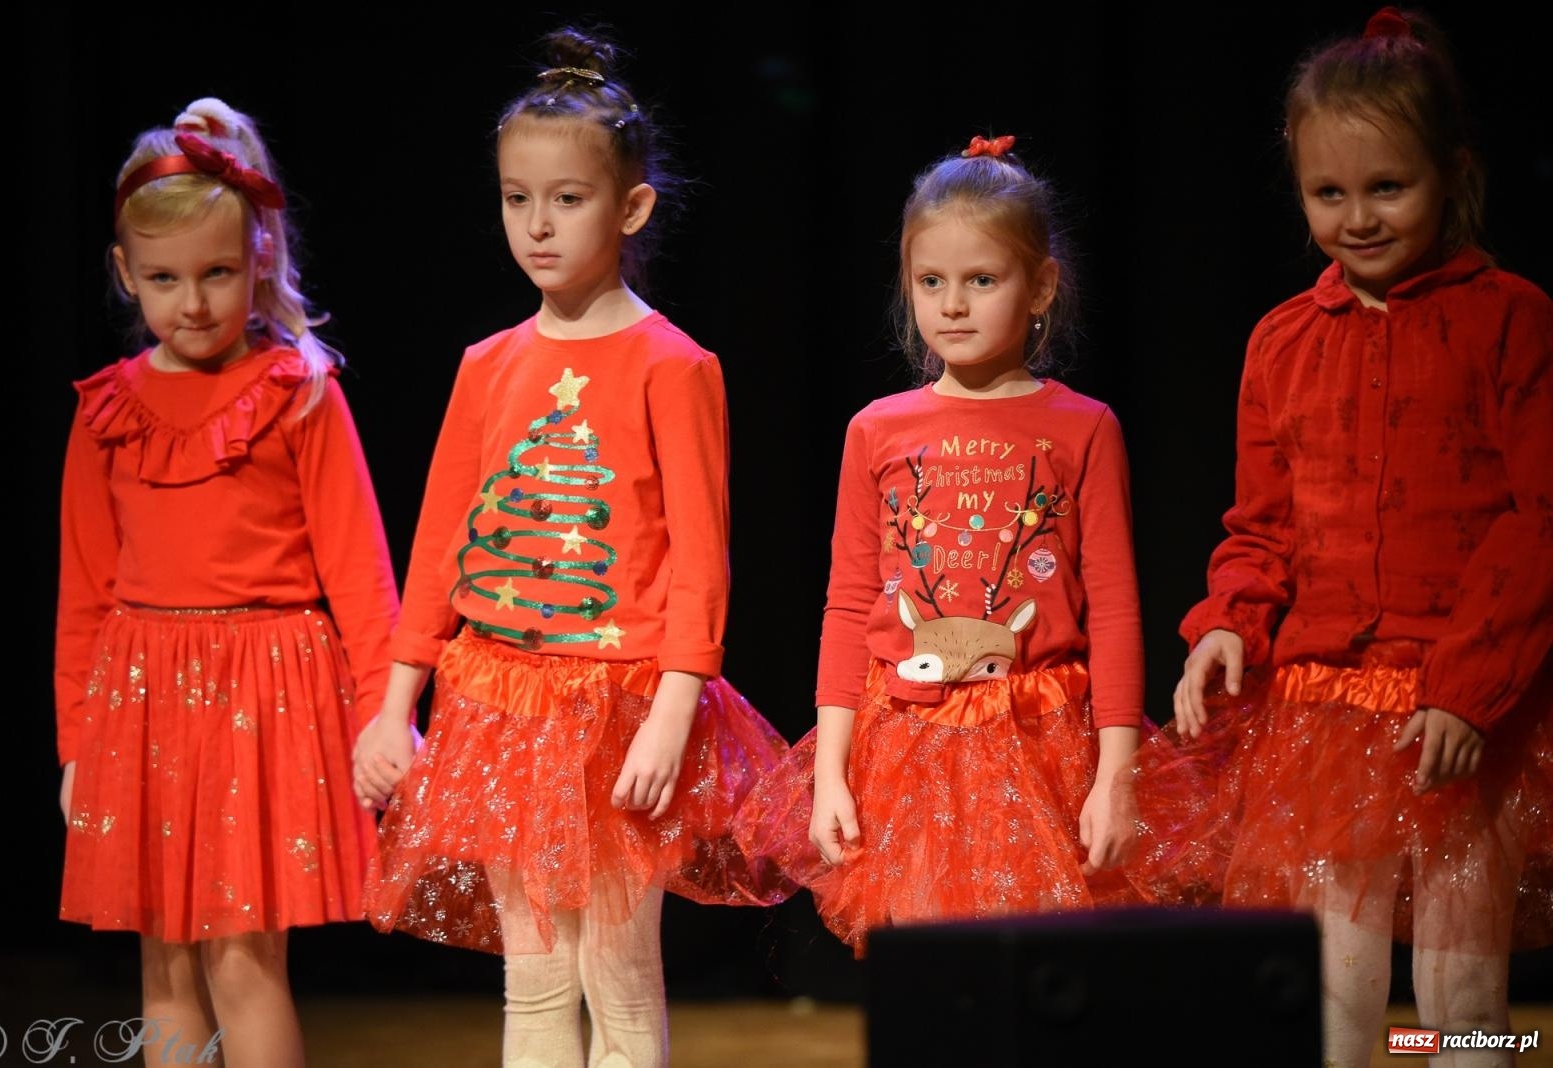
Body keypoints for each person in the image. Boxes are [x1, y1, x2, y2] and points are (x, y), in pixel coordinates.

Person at [353, 29, 791, 1068]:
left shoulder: (673, 366)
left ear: (630, 208)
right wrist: (393, 702)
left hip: (619, 707)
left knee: (618, 975)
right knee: (535, 977)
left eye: (566, 199)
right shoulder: (485, 366)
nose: (537, 225)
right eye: (516, 198)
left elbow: (700, 559)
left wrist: (672, 717)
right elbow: (439, 546)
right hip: (501, 702)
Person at [1152, 8, 1553, 1063]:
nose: (1358, 217)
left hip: (1454, 710)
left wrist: (1469, 685)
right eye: (1329, 193)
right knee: (1329, 988)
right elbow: (1260, 523)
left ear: (1451, 173)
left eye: (1387, 187)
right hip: (1321, 715)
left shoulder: (1510, 319)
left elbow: (1538, 520)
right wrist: (1227, 621)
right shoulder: (1280, 342)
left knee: (1463, 1002)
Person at [734, 135, 1147, 955]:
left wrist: (1115, 776)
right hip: (908, 747)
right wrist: (830, 776)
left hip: (1041, 744)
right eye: (932, 282)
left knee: (1032, 976)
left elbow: (1116, 611)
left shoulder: (1084, 428)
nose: (952, 305)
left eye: (981, 280)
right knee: (931, 980)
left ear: (1041, 287)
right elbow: (849, 605)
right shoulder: (877, 430)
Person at [56, 97, 398, 1067]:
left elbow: (359, 572)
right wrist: (77, 742)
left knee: (245, 963)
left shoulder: (297, 394)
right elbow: (83, 593)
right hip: (142, 698)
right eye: (164, 279)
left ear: (258, 261)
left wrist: (384, 713)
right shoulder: (107, 412)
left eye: (216, 273)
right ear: (126, 274)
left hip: (264, 693)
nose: (193, 303)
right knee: (164, 968)